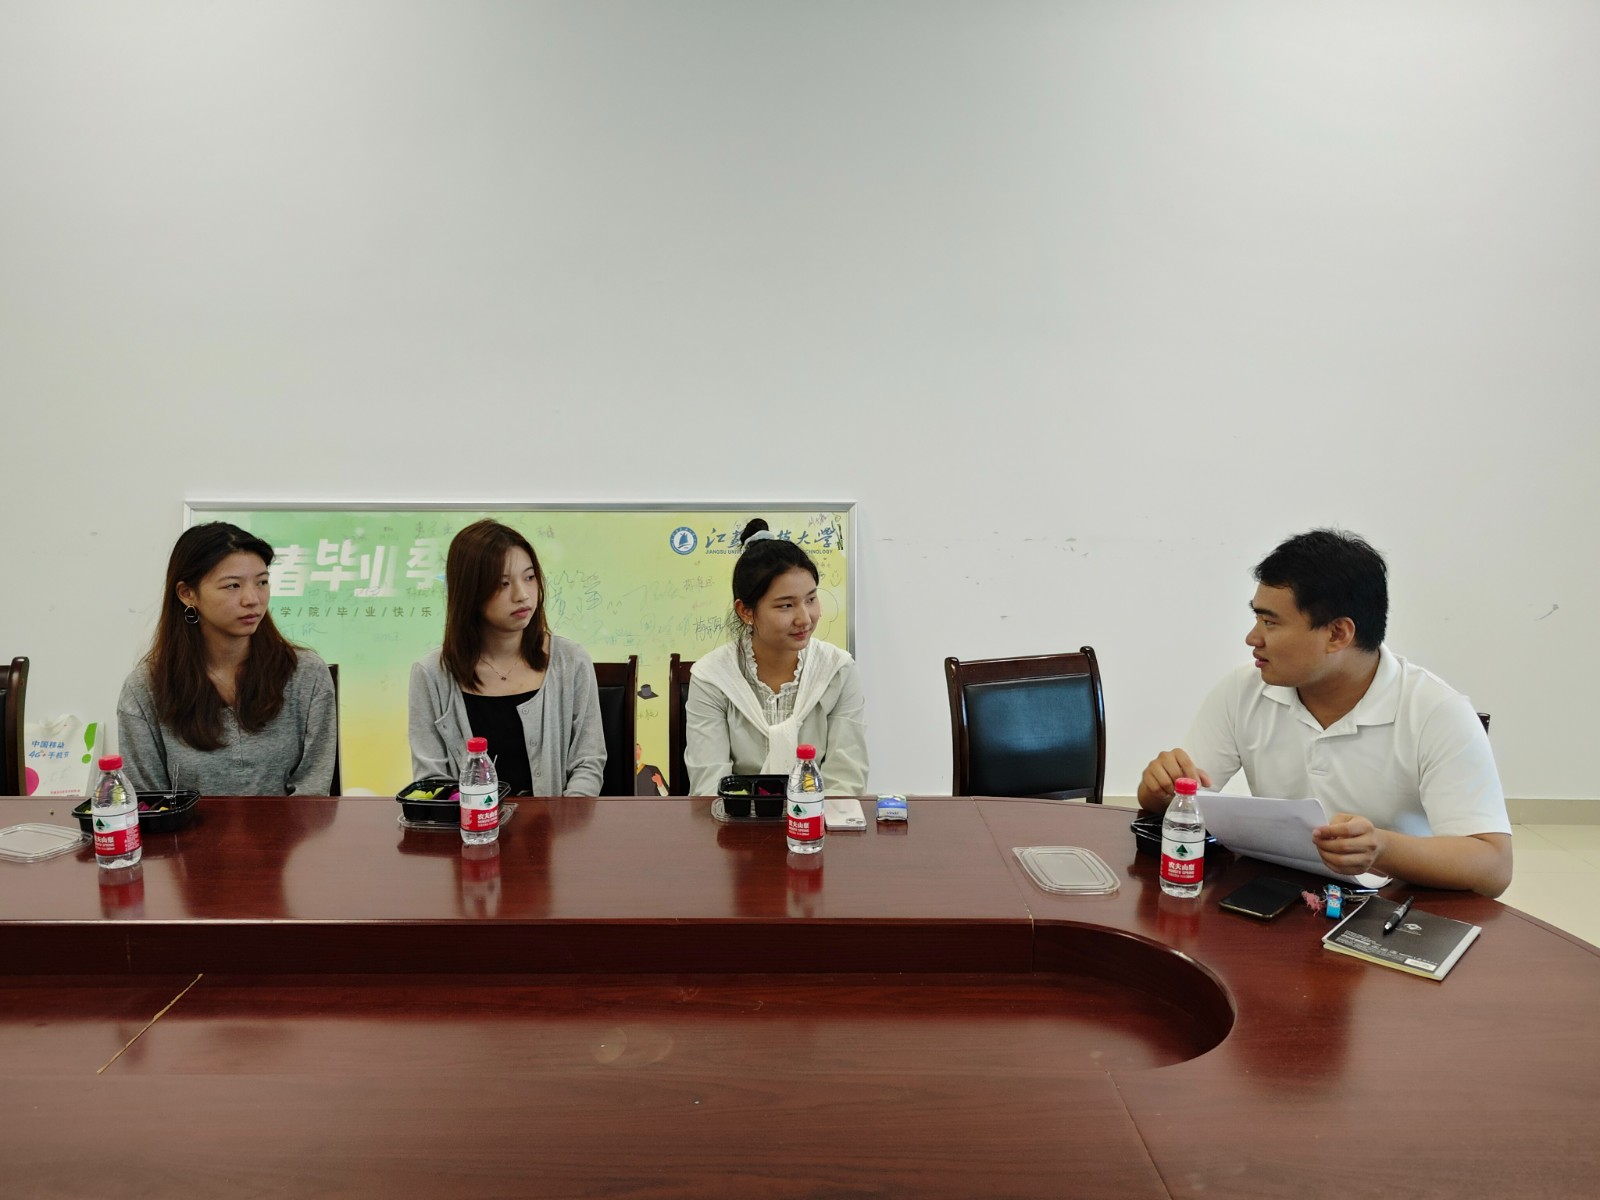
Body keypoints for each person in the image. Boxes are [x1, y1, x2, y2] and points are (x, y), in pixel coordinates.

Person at [1137, 529, 1512, 897]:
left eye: (1270, 622)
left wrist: (1381, 849)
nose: (1252, 638)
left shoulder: (1437, 713)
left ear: (1337, 634)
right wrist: (1158, 789)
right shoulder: (1243, 689)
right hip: (1279, 893)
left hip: (1392, 907)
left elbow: (1494, 865)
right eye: (1257, 619)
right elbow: (1181, 802)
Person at [117, 522, 338, 795]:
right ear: (187, 594)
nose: (252, 599)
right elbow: (148, 800)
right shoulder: (145, 688)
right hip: (184, 826)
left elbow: (313, 791)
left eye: (262, 582)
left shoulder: (306, 674)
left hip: (293, 825)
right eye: (233, 585)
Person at [408, 519, 605, 796]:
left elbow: (588, 762)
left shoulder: (571, 661)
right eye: (503, 583)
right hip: (468, 822)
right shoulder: (431, 674)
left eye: (529, 577)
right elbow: (433, 781)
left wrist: (565, 817)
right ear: (470, 592)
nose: (522, 595)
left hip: (558, 823)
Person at [685, 518, 868, 796]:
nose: (804, 618)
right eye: (786, 605)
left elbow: (846, 782)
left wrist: (805, 819)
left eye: (811, 599)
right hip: (735, 819)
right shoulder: (713, 677)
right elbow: (710, 787)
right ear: (746, 611)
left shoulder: (837, 671)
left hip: (819, 819)